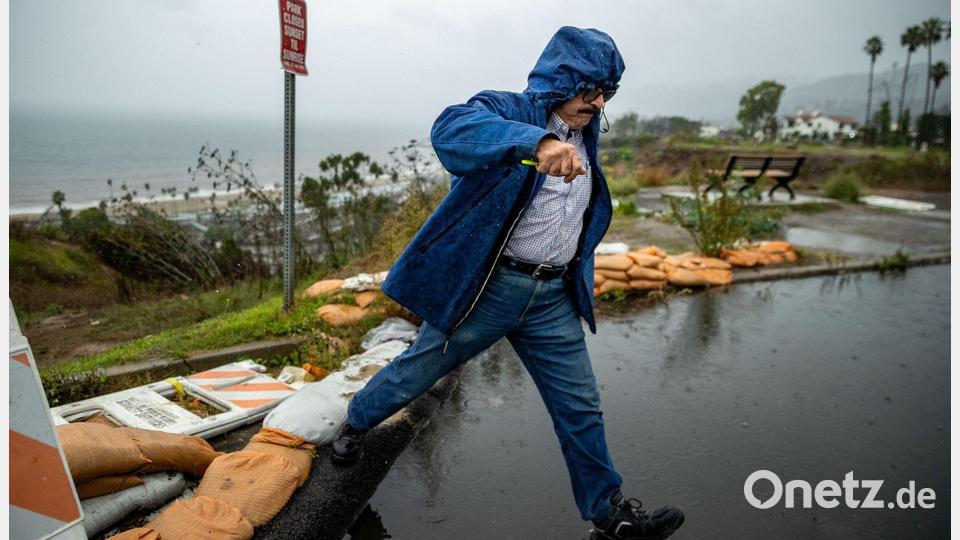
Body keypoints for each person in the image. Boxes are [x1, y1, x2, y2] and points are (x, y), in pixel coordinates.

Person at [331, 26, 685, 540]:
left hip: (551, 299)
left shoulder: (588, 132)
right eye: (590, 88)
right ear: (563, 79)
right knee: (418, 368)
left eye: (607, 91)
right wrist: (535, 143)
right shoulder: (508, 110)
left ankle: (611, 514)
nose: (599, 100)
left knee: (581, 406)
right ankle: (356, 423)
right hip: (490, 291)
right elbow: (450, 129)